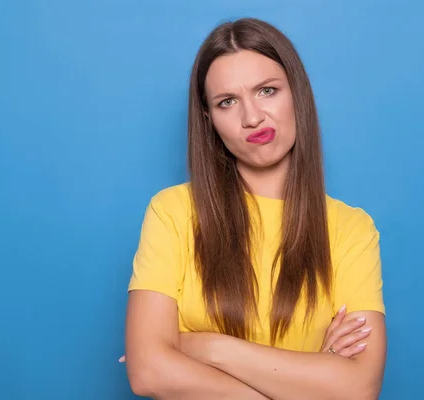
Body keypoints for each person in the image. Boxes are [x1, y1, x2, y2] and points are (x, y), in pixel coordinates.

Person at [122, 17, 386, 400]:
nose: (251, 117)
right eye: (227, 102)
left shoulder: (351, 229)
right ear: (209, 120)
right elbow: (148, 373)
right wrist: (309, 378)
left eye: (266, 91)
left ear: (298, 93)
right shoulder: (173, 212)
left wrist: (205, 347)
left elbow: (358, 388)